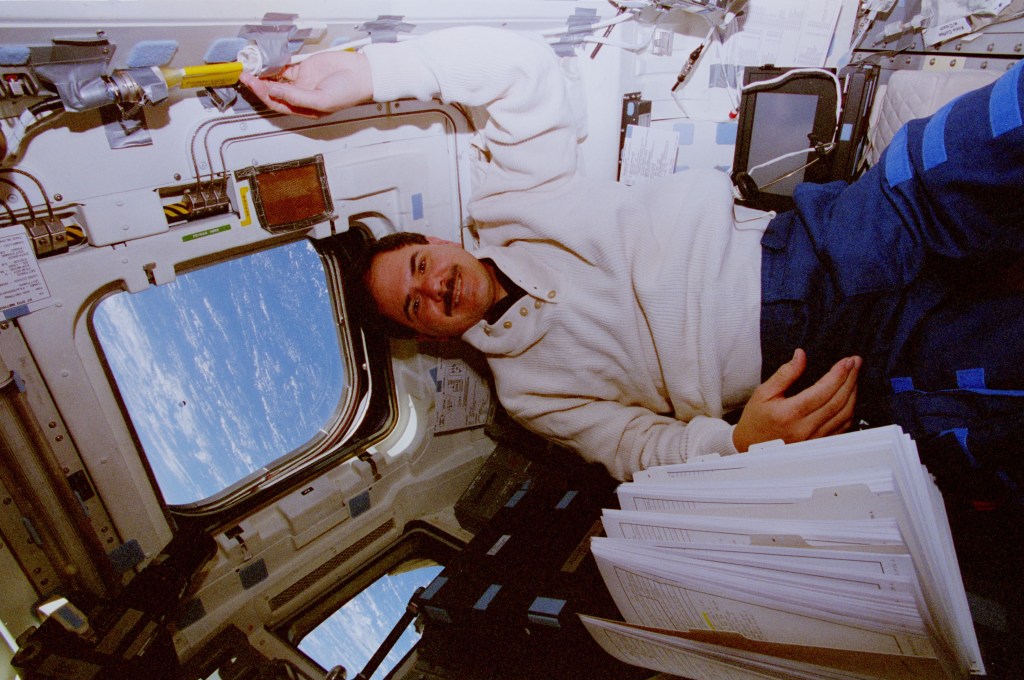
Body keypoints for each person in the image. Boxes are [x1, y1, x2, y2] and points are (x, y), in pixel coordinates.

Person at [240, 26, 1024, 498]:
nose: (431, 287)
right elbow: (641, 454)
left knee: (976, 149)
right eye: (414, 306)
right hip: (830, 363)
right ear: (437, 335)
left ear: (437, 244)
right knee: (989, 399)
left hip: (818, 248)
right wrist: (740, 442)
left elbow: (522, 76)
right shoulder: (528, 394)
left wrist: (370, 76)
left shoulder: (512, 201)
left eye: (417, 267)